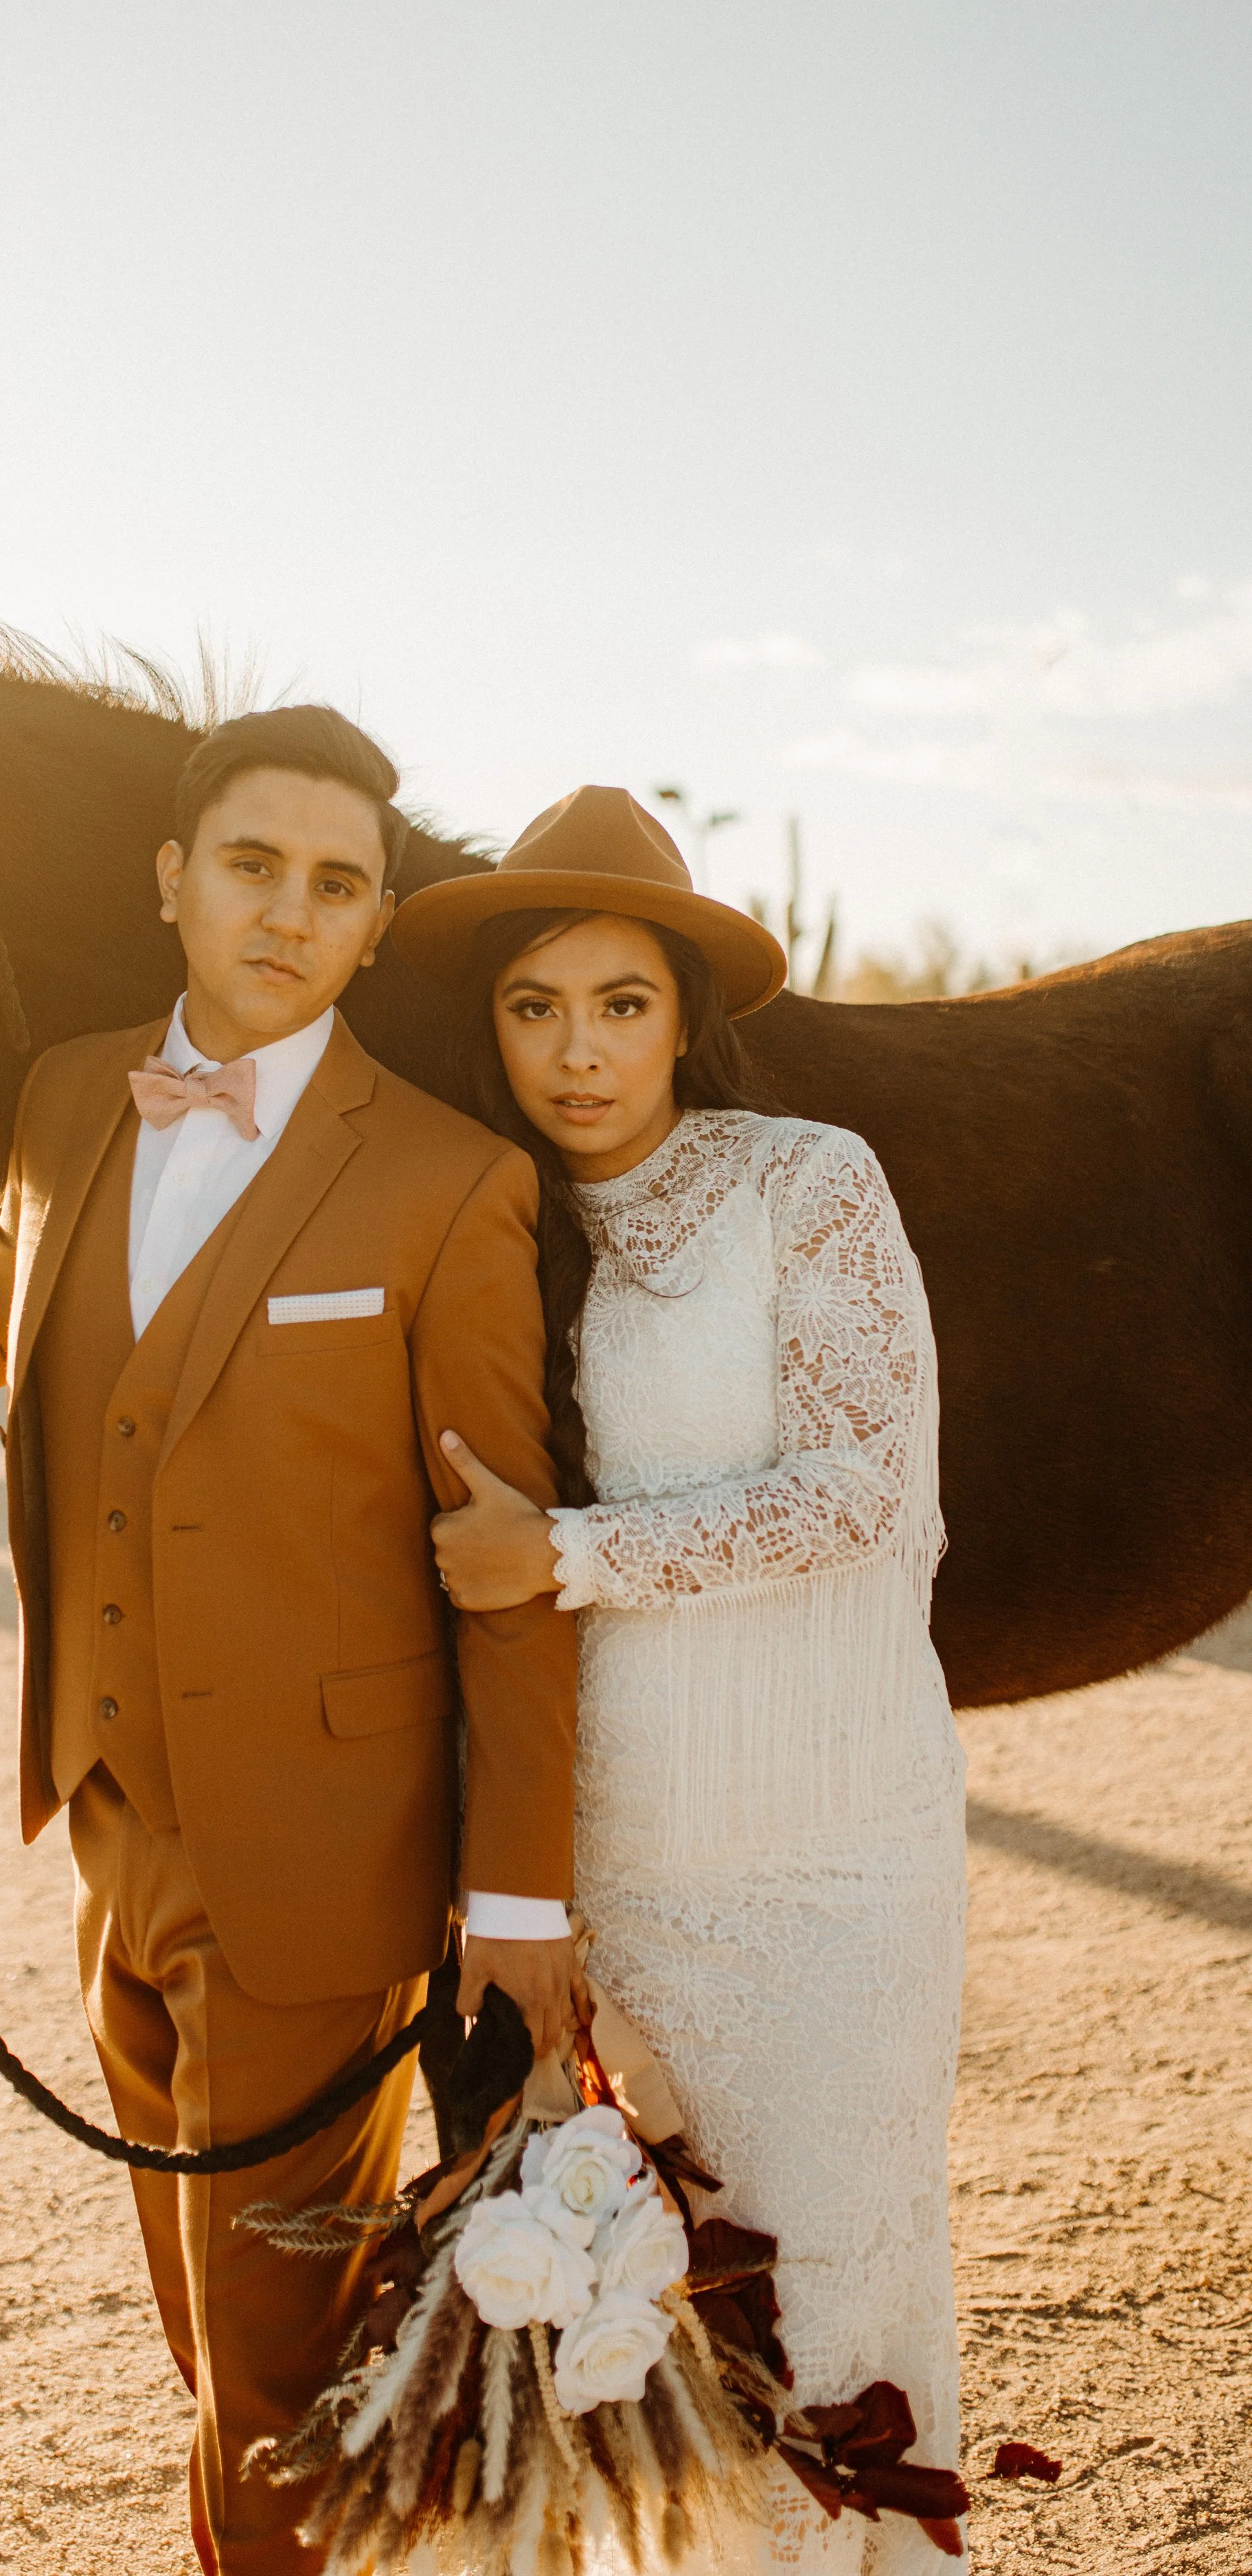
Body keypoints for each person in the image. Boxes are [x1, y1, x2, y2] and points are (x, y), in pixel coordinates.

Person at [0, 708, 582, 2576]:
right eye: (250, 864)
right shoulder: (67, 1095)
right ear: (170, 881)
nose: (286, 911)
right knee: (217, 2344)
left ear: (376, 921)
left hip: (318, 1871)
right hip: (109, 1824)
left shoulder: (443, 1183)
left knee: (271, 2395)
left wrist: (516, 1900)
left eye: (335, 883)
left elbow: (500, 1572)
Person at [400, 787, 968, 2575]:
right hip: (634, 1860)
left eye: (620, 1002)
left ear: (681, 1010)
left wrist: (564, 1549)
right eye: (535, 1006)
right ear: (488, 1023)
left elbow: (863, 1485)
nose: (579, 1053)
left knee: (823, 2277)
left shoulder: (806, 1178)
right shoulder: (486, 1226)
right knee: (662, 2307)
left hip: (831, 1846)